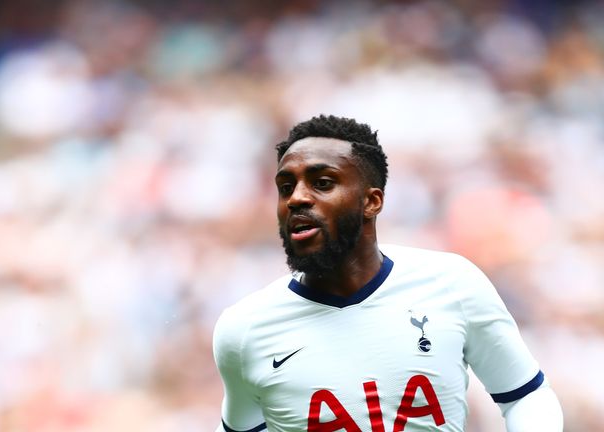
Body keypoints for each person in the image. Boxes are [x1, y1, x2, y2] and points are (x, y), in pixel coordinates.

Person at [213, 115, 564, 431]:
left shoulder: (452, 284)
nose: (296, 199)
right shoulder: (245, 329)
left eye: (321, 182)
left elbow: (525, 396)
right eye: (286, 187)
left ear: (371, 201)